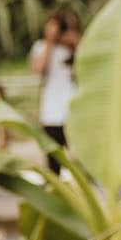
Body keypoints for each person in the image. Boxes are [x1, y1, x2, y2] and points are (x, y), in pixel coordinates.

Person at [28, 9, 80, 160]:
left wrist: (73, 39)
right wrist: (50, 42)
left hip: (74, 111)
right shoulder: (40, 47)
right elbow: (38, 69)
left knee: (81, 159)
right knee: (54, 160)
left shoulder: (74, 47)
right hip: (51, 114)